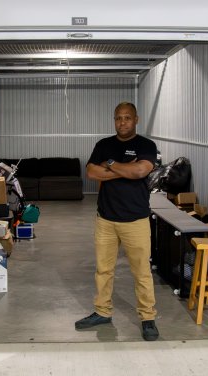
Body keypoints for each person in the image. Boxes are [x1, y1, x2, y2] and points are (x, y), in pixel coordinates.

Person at [75, 102, 159, 341]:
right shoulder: (104, 145)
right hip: (106, 220)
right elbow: (91, 173)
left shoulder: (146, 145)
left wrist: (110, 165)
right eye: (118, 118)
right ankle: (102, 311)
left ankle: (147, 318)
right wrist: (125, 169)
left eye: (127, 118)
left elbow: (140, 172)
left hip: (136, 220)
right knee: (103, 270)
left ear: (136, 119)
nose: (122, 122)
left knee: (141, 272)